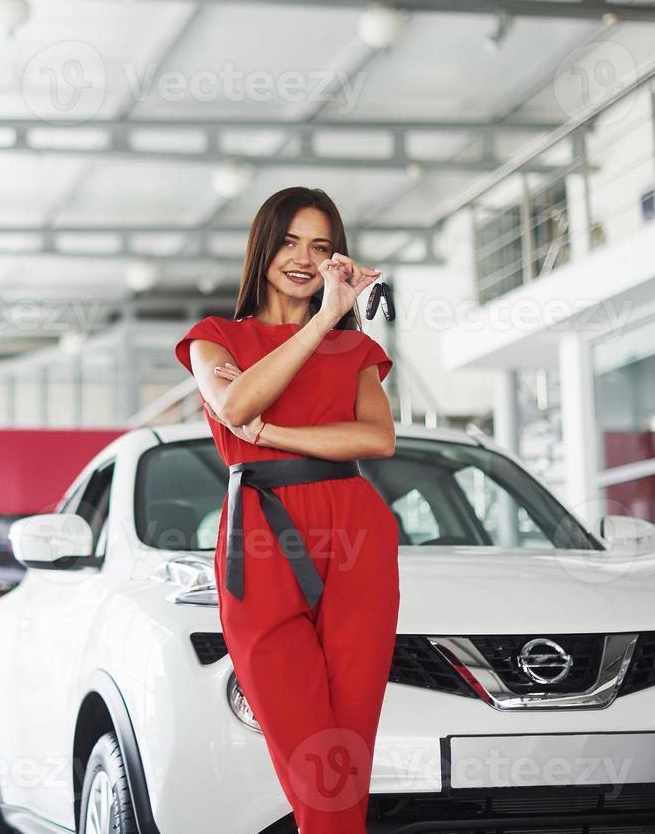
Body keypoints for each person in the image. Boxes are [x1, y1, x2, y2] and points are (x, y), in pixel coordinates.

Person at [174, 186, 401, 834]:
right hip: (262, 538)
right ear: (263, 247)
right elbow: (237, 403)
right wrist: (322, 320)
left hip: (358, 534)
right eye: (291, 241)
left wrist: (273, 436)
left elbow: (375, 439)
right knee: (309, 750)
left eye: (322, 247)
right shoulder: (213, 338)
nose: (304, 258)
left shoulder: (356, 350)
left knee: (348, 748)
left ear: (339, 260)